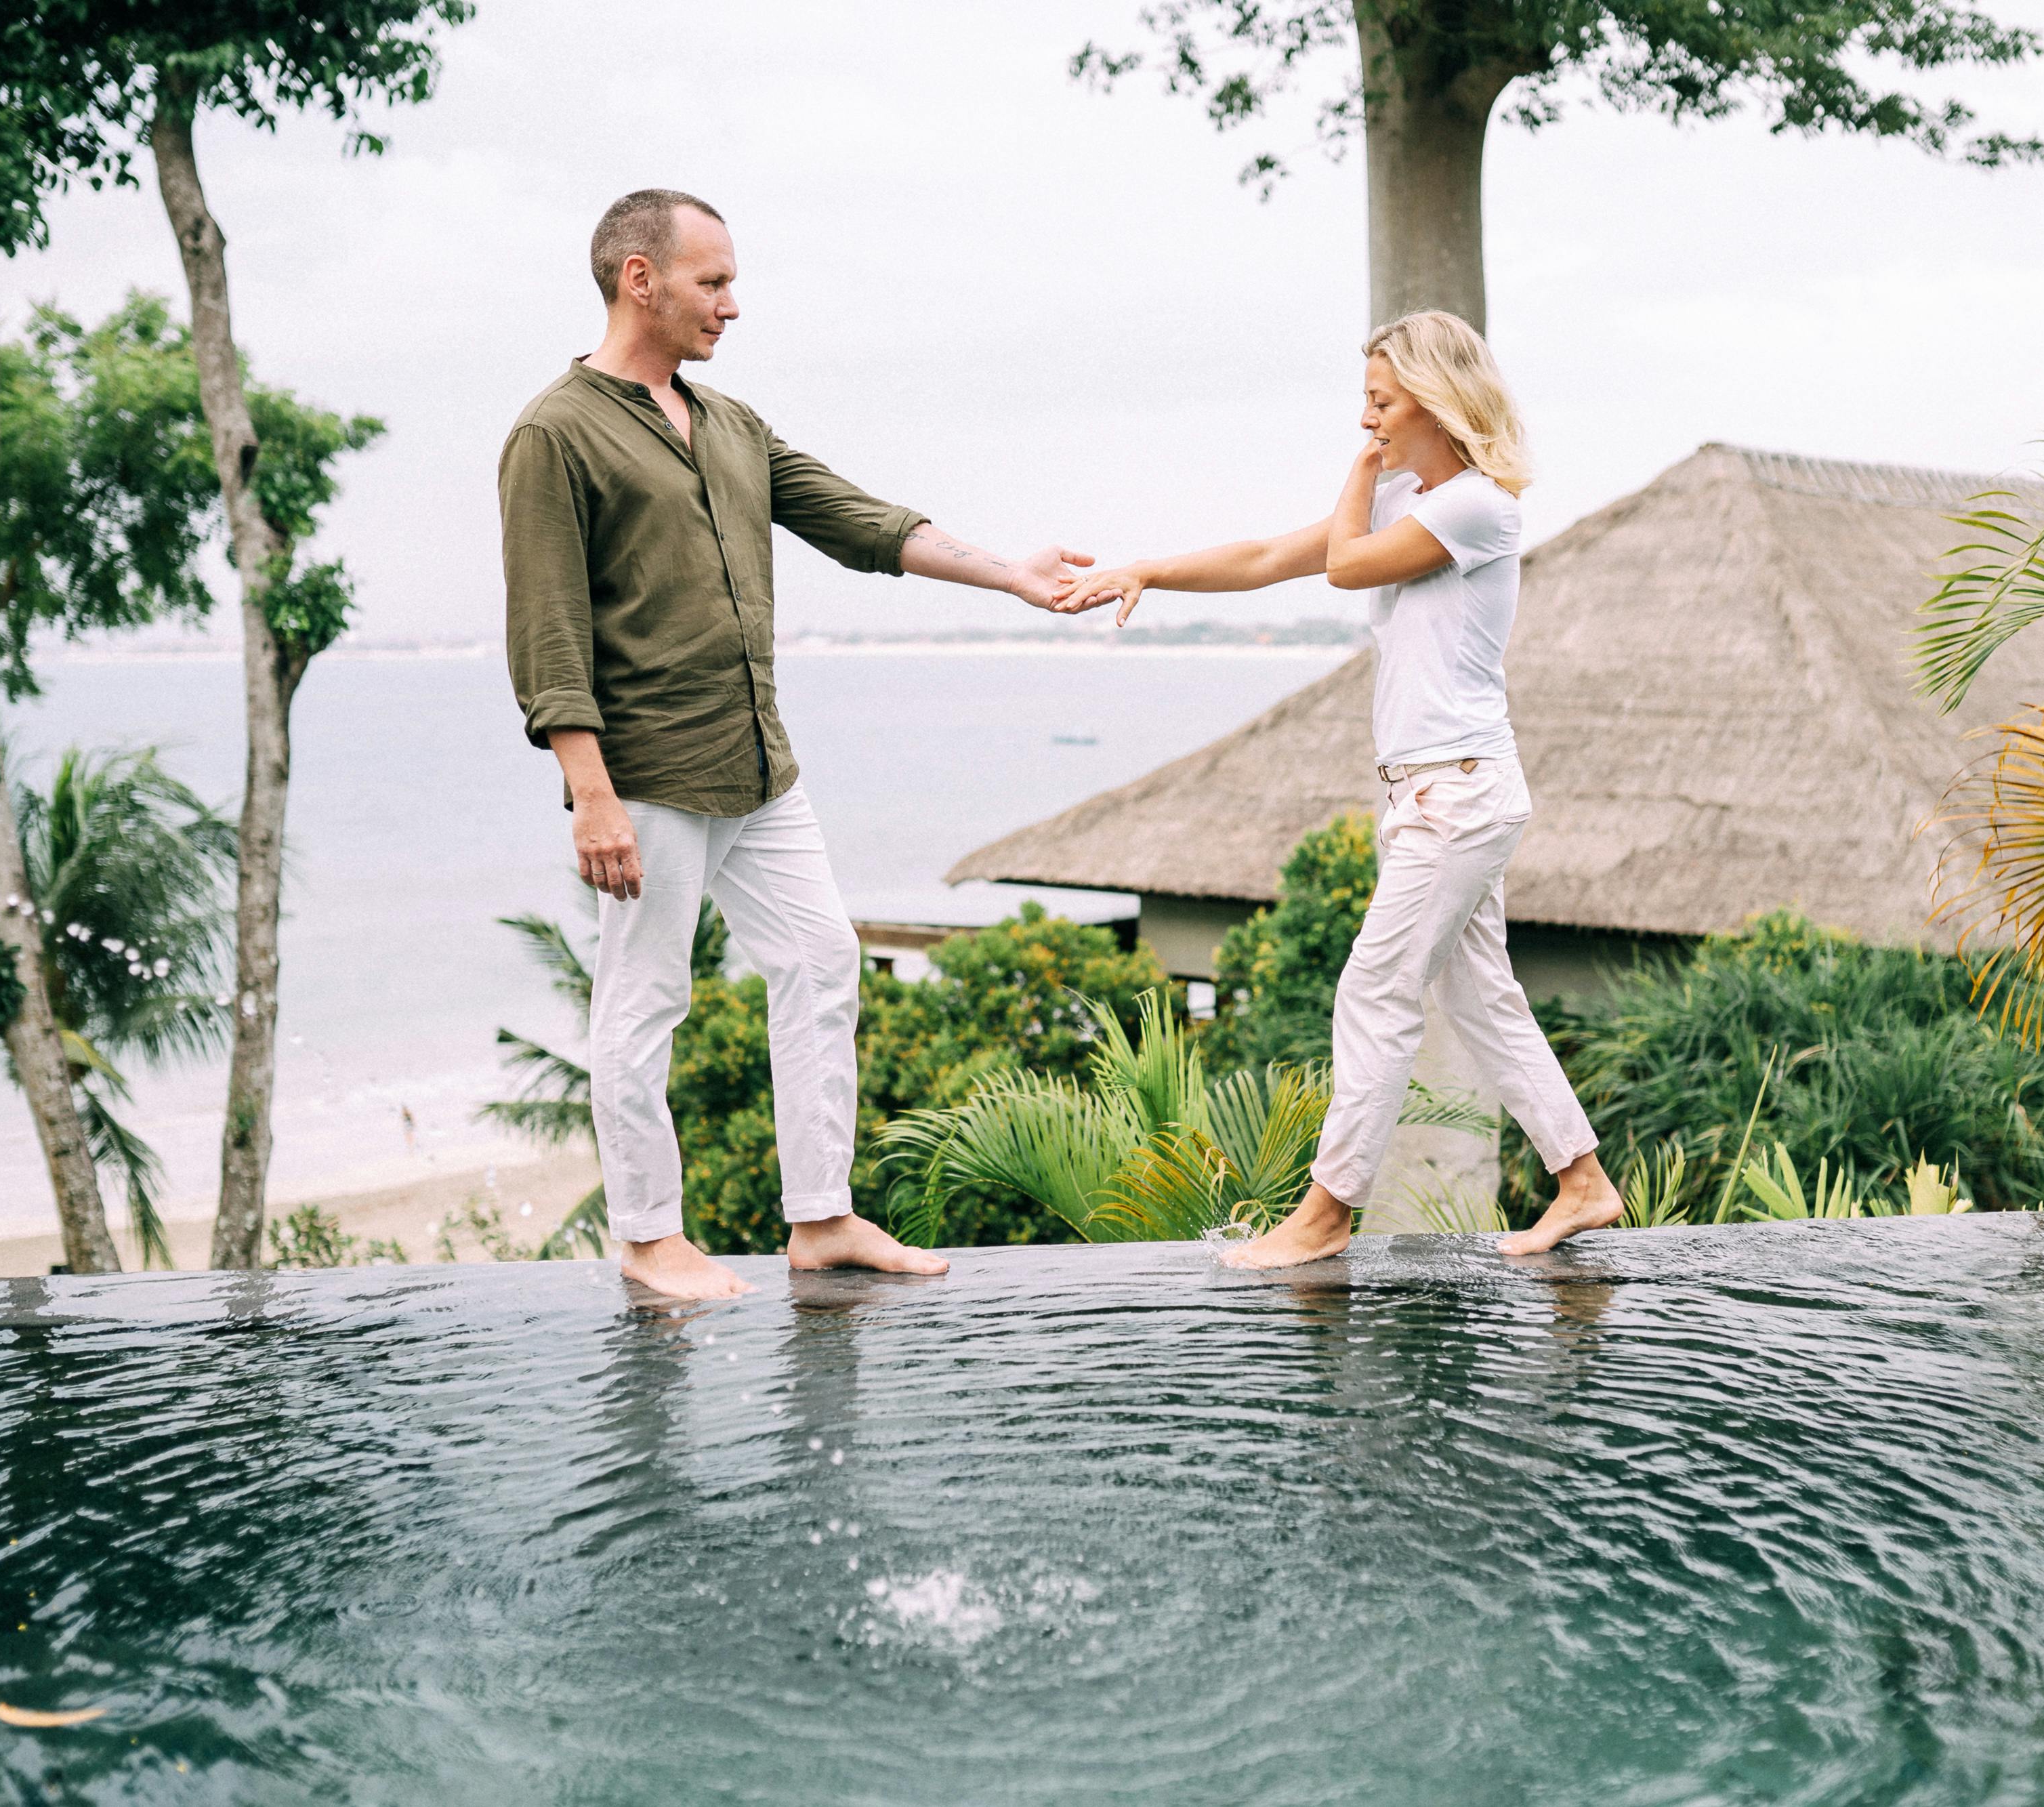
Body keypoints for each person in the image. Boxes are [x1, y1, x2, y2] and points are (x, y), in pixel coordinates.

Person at [503, 188, 1092, 1300]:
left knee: (822, 964)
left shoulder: (730, 426)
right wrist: (591, 793)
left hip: (761, 768)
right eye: (712, 281)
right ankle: (647, 1239)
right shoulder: (555, 432)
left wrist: (1012, 571)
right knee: (644, 1004)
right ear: (642, 279)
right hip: (649, 775)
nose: (733, 303)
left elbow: (861, 521)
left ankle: (820, 1220)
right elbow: (547, 626)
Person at [1055, 311, 1623, 1267]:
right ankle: (1583, 1183)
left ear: (1437, 404)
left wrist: (1361, 472)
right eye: (1366, 403)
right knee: (1483, 1001)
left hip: (1459, 793)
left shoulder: (1478, 506)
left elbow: (1342, 564)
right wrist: (1145, 566)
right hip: (1432, 794)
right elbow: (1268, 558)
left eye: (1382, 402)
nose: (1368, 421)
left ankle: (1325, 1213)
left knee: (1374, 990)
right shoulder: (1415, 505)